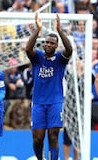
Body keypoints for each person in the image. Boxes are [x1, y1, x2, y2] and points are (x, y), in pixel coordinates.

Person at [25, 13, 73, 160]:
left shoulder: (60, 59)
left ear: (56, 46)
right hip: (38, 102)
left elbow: (69, 50)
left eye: (52, 43)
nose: (48, 45)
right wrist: (38, 30)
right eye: (47, 42)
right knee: (37, 138)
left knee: (53, 135)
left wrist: (59, 31)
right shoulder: (38, 57)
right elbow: (28, 49)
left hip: (55, 102)